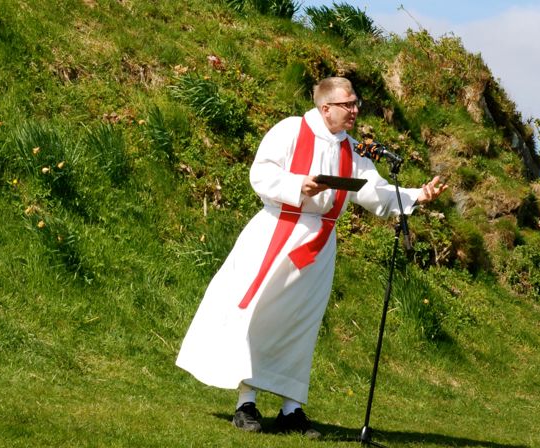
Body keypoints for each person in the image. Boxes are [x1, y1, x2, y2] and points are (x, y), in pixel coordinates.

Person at [175, 77, 447, 437]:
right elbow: (261, 173)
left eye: (355, 103)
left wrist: (416, 195)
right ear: (326, 108)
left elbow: (376, 193)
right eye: (348, 104)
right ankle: (246, 402)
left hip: (320, 244)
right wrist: (298, 185)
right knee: (258, 314)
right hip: (277, 232)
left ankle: (291, 409)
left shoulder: (351, 149)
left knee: (301, 323)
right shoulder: (290, 130)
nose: (354, 110)